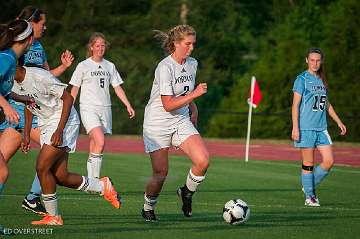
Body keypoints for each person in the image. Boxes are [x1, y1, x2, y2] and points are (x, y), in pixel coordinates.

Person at [17, 65, 121, 226]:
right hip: (47, 123)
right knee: (60, 176)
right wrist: (26, 134)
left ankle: (54, 217)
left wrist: (59, 130)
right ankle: (102, 186)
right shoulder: (13, 82)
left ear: (14, 65)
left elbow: (68, 99)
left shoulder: (39, 77)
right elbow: (29, 104)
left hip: (63, 121)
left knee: (42, 167)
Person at [141, 25, 209, 221]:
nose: (191, 48)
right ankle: (148, 207)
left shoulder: (192, 63)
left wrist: (193, 108)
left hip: (180, 119)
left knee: (203, 160)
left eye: (193, 44)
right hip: (157, 123)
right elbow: (168, 104)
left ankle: (186, 192)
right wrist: (195, 94)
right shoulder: (165, 67)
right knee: (161, 172)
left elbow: (186, 94)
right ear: (175, 44)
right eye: (187, 44)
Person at [13, 6, 75, 215]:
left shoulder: (38, 46)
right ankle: (35, 199)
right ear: (30, 23)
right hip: (19, 108)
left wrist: (63, 67)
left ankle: (34, 199)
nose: (45, 27)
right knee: (49, 162)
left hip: (34, 108)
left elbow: (47, 78)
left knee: (48, 161)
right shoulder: (13, 48)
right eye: (42, 23)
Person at [70, 32, 135, 181]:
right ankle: (96, 181)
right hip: (88, 108)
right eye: (97, 45)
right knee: (100, 141)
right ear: (91, 47)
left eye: (103, 45)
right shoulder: (83, 65)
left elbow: (117, 87)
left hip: (105, 109)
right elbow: (74, 89)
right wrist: (68, 108)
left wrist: (128, 105)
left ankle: (91, 181)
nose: (100, 48)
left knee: (95, 144)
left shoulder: (109, 66)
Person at [291, 47, 347, 207]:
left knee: (329, 161)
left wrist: (338, 121)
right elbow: (295, 105)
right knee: (308, 163)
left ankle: (308, 186)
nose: (315, 63)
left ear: (321, 61)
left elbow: (327, 104)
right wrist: (296, 128)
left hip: (321, 128)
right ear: (307, 60)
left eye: (318, 60)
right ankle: (310, 197)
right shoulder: (301, 79)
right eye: (312, 60)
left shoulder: (321, 80)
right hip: (306, 127)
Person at [0, 19, 34, 234]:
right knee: (1, 172)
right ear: (28, 39)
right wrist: (7, 107)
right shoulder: (5, 58)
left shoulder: (10, 58)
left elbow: (3, 89)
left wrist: (19, 98)